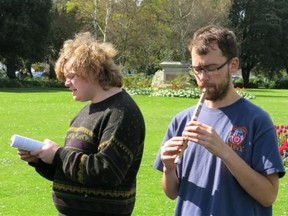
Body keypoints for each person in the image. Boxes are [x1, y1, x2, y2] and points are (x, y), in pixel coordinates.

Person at [153, 25, 285, 216]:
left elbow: (268, 195)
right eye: (197, 69)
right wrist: (168, 167)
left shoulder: (257, 120)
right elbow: (172, 192)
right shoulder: (181, 120)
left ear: (233, 65)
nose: (203, 78)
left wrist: (225, 151)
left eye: (211, 68)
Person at [17, 32, 145, 216]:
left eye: (71, 76)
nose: (66, 83)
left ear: (91, 71)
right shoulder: (85, 113)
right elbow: (73, 174)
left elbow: (107, 172)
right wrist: (40, 160)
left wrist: (58, 155)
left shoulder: (121, 112)